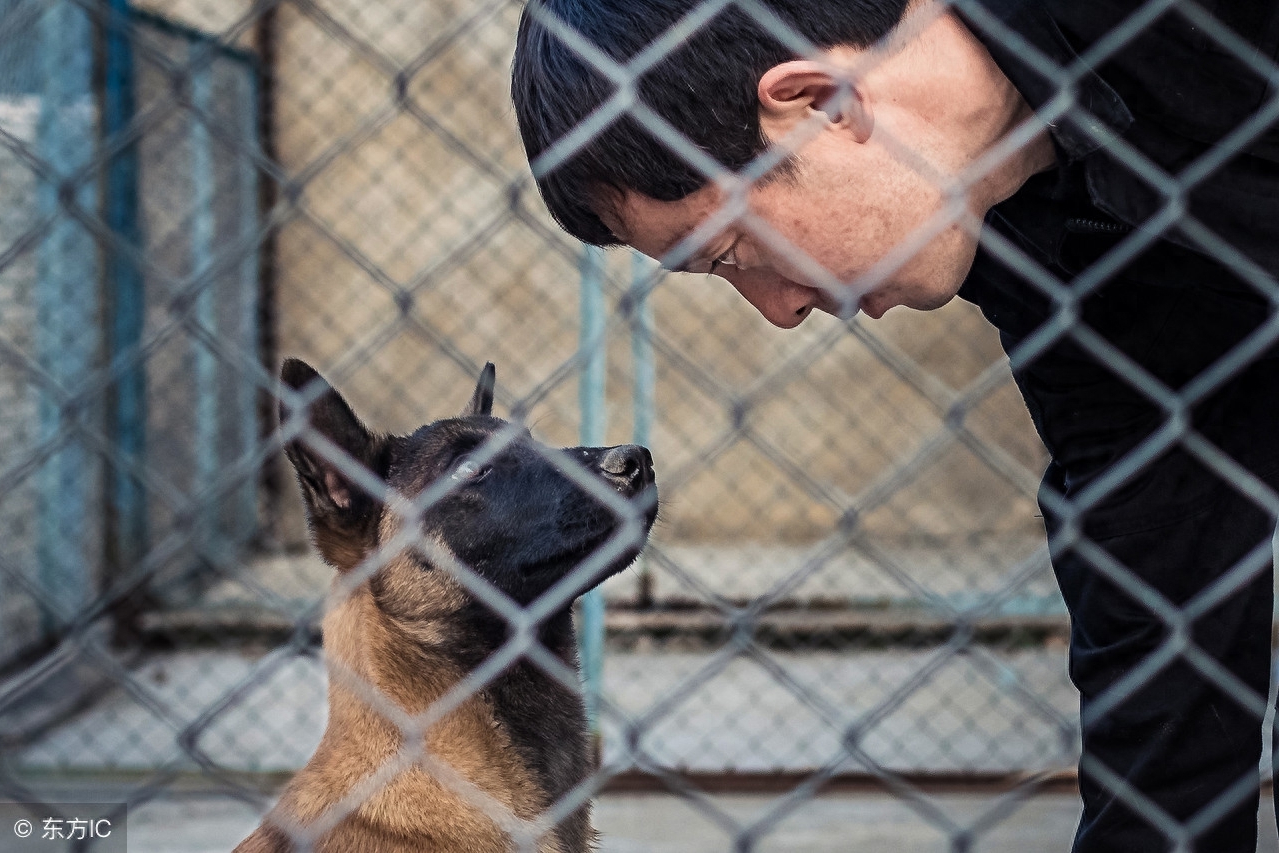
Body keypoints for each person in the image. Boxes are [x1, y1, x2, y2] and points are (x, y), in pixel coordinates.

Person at [511, 0, 1279, 851]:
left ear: (820, 102)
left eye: (730, 249)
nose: (777, 310)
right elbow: (1158, 574)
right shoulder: (1024, 230)